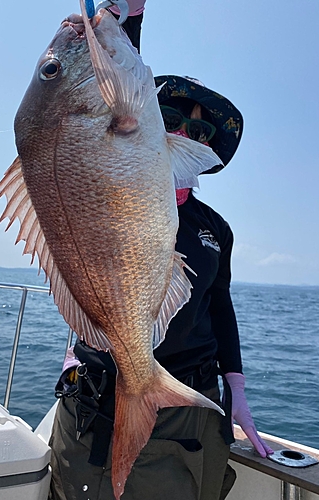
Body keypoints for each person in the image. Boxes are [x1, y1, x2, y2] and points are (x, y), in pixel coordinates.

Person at [49, 5, 273, 500]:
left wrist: (236, 388)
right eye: (170, 118)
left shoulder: (215, 228)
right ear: (147, 117)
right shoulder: (110, 171)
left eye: (201, 133)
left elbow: (220, 304)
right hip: (97, 401)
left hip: (187, 412)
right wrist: (124, 17)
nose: (184, 134)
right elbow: (109, 100)